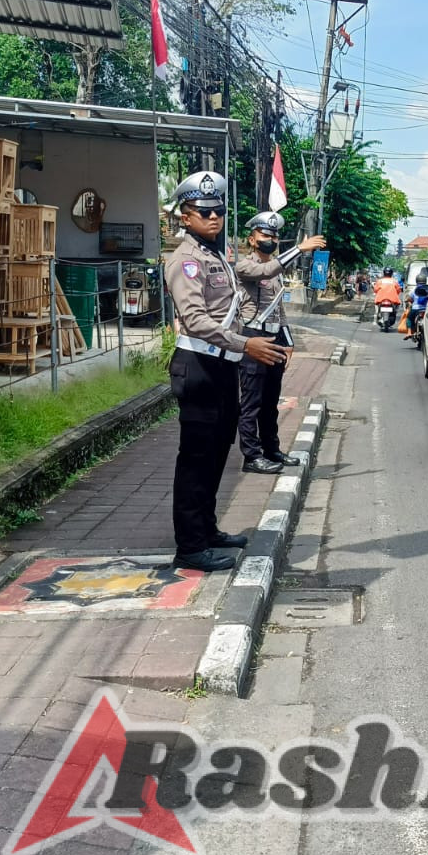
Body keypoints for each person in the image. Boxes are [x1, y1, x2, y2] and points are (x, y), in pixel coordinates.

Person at [163, 171, 287, 573]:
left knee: (218, 452)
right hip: (198, 365)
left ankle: (207, 529)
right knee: (196, 459)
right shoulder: (186, 261)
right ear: (185, 216)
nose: (213, 217)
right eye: (203, 212)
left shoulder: (217, 255)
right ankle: (190, 546)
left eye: (218, 211)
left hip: (222, 366)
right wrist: (245, 343)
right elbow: (196, 320)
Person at [235, 211, 326, 475]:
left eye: (274, 236)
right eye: (265, 235)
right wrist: (299, 248)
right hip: (252, 340)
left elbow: (278, 311)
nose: (270, 240)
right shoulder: (245, 266)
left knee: (270, 401)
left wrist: (289, 343)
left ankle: (271, 449)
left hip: (274, 340)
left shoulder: (275, 271)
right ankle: (251, 456)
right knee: (251, 402)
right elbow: (267, 269)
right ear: (252, 240)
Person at [406, 277, 428, 341]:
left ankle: (409, 332)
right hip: (426, 309)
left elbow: (409, 298)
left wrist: (408, 301)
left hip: (416, 309)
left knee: (409, 318)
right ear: (425, 281)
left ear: (417, 281)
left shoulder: (414, 289)